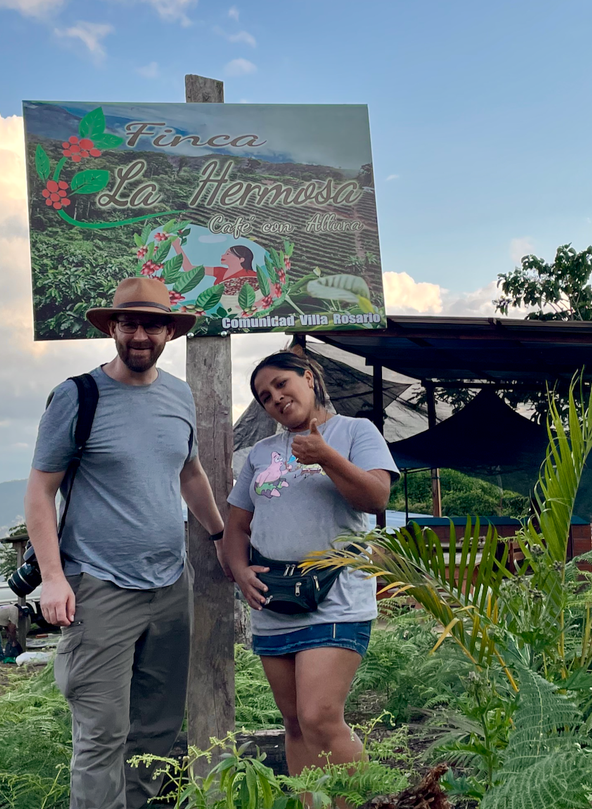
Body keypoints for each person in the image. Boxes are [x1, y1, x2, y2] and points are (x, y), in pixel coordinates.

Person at [24, 276, 229, 809]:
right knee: (101, 736)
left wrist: (219, 535)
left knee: (156, 733)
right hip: (99, 586)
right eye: (130, 323)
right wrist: (52, 576)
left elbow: (190, 474)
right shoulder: (78, 396)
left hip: (169, 585)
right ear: (112, 327)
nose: (141, 335)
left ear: (170, 332)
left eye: (153, 324)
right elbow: (40, 490)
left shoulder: (179, 394)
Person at [225, 350, 398, 779]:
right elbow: (236, 528)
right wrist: (240, 571)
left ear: (307, 377)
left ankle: (360, 803)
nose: (276, 398)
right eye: (265, 396)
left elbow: (376, 498)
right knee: (295, 722)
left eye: (282, 384)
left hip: (336, 594)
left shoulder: (356, 431)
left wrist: (327, 456)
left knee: (319, 716)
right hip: (274, 600)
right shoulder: (260, 454)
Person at [172, 240, 258, 286]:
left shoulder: (251, 275)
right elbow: (189, 268)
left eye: (227, 254)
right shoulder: (220, 271)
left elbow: (270, 286)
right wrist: (176, 246)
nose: (223, 255)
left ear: (241, 259)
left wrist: (257, 304)